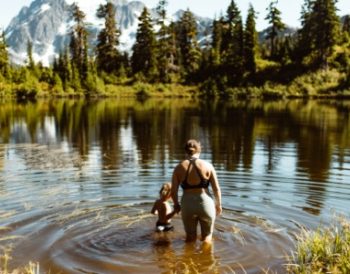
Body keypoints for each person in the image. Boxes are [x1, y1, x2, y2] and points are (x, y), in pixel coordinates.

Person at [171, 139, 222, 243]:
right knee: (207, 237)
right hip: (205, 203)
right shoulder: (208, 166)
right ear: (199, 151)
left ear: (186, 151)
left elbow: (173, 191)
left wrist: (176, 204)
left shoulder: (178, 168)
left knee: (190, 238)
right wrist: (218, 205)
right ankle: (207, 257)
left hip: (187, 204)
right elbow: (216, 189)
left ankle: (188, 258)